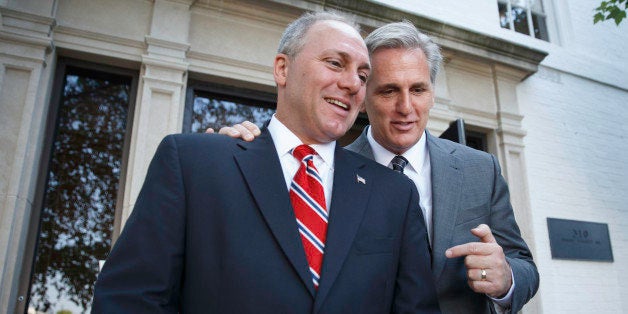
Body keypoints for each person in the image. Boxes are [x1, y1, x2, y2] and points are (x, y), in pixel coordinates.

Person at [92, 12, 439, 313]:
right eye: (336, 63)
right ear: (282, 68)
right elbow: (128, 300)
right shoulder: (194, 164)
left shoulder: (395, 195)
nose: (351, 83)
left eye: (363, 76)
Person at [215, 21, 539, 314]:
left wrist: (506, 280)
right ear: (363, 93)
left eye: (418, 89)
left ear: (432, 93)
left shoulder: (480, 169)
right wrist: (246, 157)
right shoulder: (322, 171)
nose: (405, 108)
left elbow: (524, 265)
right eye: (388, 91)